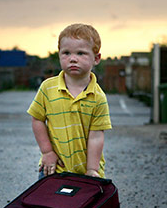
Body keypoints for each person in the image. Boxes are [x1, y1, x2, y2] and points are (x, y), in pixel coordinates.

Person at [28, 23, 112, 180]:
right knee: (48, 203)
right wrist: (47, 152)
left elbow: (96, 136)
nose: (73, 59)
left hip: (86, 173)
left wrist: (92, 169)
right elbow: (37, 119)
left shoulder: (98, 97)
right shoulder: (48, 88)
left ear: (97, 58)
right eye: (66, 53)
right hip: (53, 168)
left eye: (81, 53)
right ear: (59, 55)